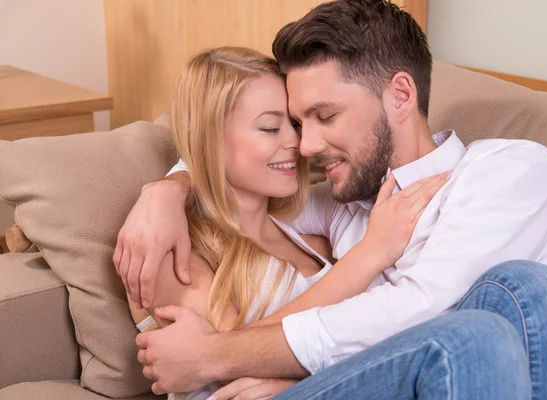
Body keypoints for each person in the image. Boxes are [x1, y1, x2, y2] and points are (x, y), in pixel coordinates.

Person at [116, 0, 547, 399]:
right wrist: (164, 191)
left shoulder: (508, 171)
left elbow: (424, 310)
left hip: (523, 375)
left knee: (525, 288)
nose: (304, 146)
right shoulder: (344, 206)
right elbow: (231, 185)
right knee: (484, 329)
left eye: (324, 116)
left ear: (401, 96)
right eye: (297, 124)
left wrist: (213, 355)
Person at [122, 46, 446, 400]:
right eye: (270, 127)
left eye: (293, 124)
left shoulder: (311, 237)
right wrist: (372, 252)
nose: (298, 143)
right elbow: (229, 360)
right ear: (210, 139)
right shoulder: (170, 250)